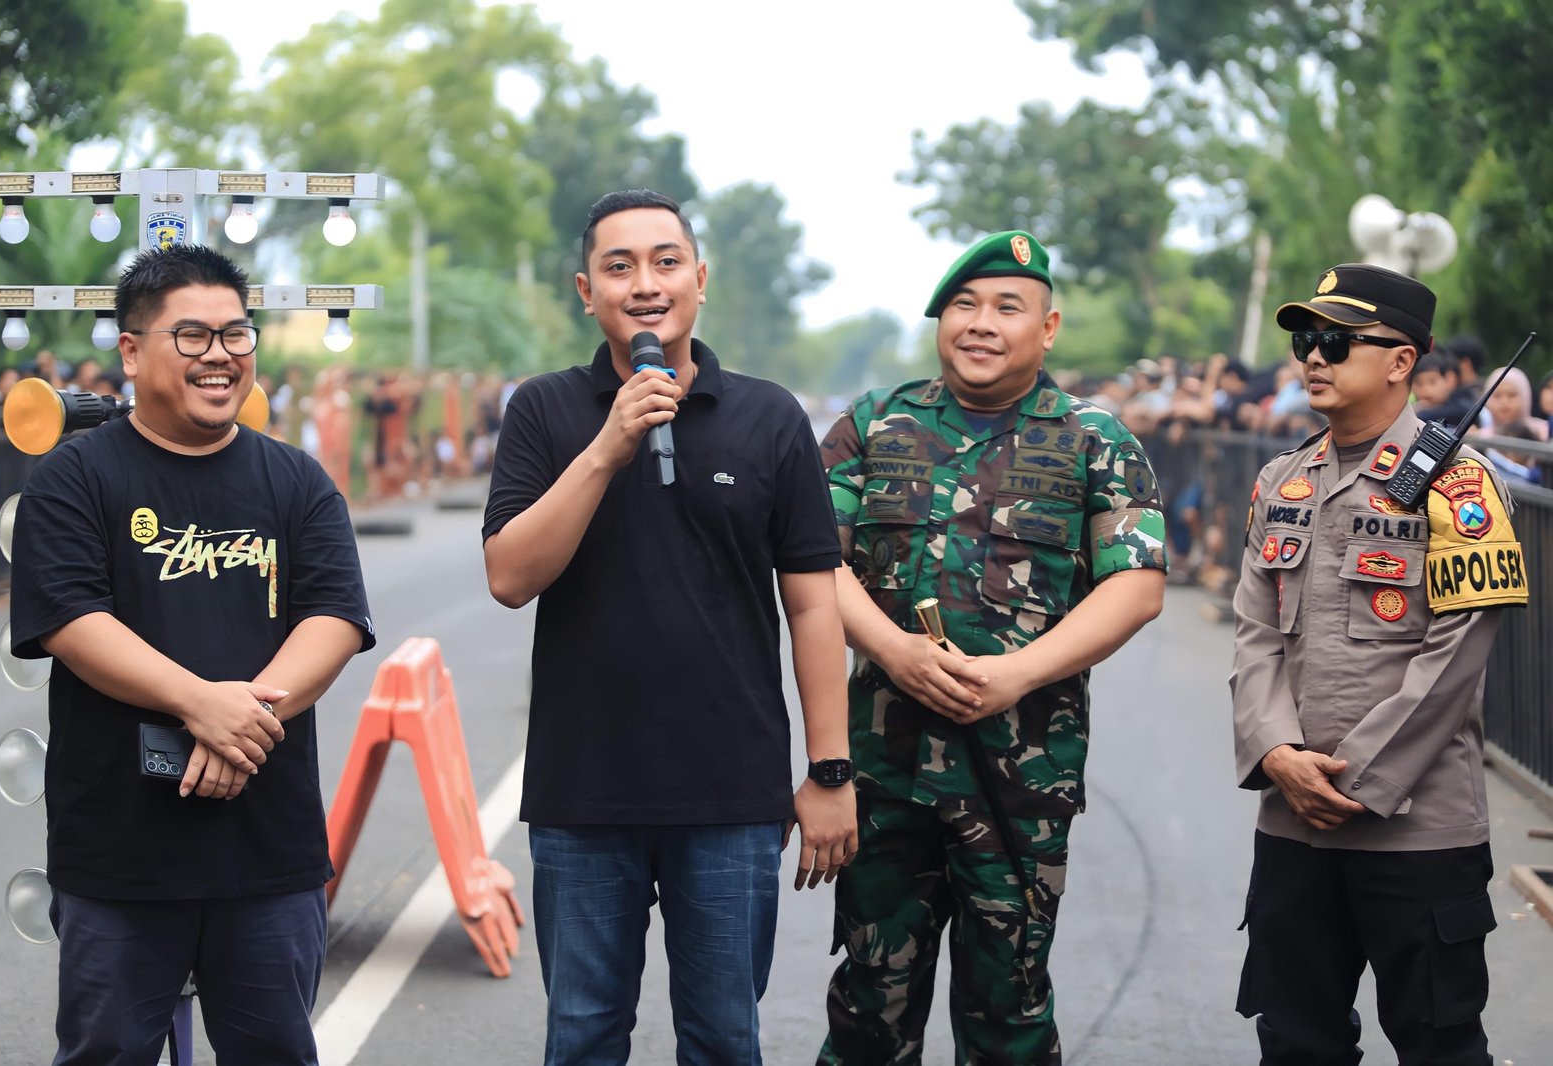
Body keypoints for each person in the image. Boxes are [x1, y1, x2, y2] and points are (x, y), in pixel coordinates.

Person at [481, 188, 856, 1065]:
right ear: (587, 292)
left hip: (731, 796)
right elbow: (509, 577)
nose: (644, 284)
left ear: (700, 278)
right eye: (618, 268)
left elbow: (813, 602)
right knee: (582, 1035)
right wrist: (607, 448)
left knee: (724, 1038)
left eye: (665, 262)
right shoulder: (544, 411)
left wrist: (830, 770)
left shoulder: (770, 417)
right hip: (584, 793)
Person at [7, 244, 376, 1064]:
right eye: (193, 336)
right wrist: (197, 701)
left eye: (236, 334)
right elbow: (72, 621)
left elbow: (334, 618)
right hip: (117, 857)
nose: (220, 354)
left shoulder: (297, 481)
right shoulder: (72, 479)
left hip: (268, 852)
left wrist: (242, 719)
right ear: (132, 352)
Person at [817, 231, 1167, 1065]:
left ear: (1047, 329)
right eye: (964, 305)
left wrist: (1016, 674)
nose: (981, 323)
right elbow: (813, 562)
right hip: (886, 773)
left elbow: (1137, 585)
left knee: (1008, 1011)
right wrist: (893, 650)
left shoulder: (1094, 439)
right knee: (869, 1008)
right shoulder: (874, 423)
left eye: (1008, 307)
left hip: (1021, 780)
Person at [1231, 262, 1528, 1064]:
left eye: (1336, 341)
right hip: (1292, 823)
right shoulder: (1280, 480)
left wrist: (1352, 781)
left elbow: (1456, 656)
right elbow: (1254, 632)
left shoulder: (1460, 484)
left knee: (1439, 1045)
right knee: (1295, 1041)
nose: (1312, 357)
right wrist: (1276, 752)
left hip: (1418, 831)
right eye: (1305, 339)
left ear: (1402, 360)